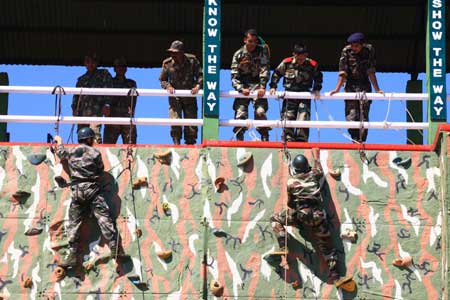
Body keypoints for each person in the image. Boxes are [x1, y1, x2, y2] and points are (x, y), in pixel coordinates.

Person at [55, 128, 125, 267]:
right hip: (92, 191)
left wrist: (59, 142)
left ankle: (73, 255)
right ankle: (115, 249)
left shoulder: (71, 152)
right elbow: (100, 169)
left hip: (77, 192)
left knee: (74, 223)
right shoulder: (95, 153)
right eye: (92, 139)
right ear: (89, 139)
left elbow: (60, 152)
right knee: (104, 219)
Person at [270, 148, 339, 281]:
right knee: (327, 246)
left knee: (275, 219)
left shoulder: (291, 182)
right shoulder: (314, 174)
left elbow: (290, 204)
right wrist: (316, 156)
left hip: (301, 216)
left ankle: (283, 246)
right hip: (318, 217)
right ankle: (335, 273)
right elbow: (319, 170)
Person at [329, 32, 384, 143]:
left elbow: (371, 71)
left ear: (362, 44)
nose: (353, 48)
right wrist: (337, 89)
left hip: (364, 84)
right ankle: (354, 139)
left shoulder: (369, 50)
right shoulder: (346, 51)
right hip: (350, 84)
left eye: (356, 46)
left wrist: (377, 89)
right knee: (352, 113)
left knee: (364, 113)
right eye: (352, 45)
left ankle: (361, 140)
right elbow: (342, 72)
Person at [269, 43, 323, 142]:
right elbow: (276, 74)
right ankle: (288, 139)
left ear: (306, 55)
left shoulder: (312, 65)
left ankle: (301, 141)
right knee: (287, 117)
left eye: (303, 58)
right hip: (289, 95)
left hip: (304, 95)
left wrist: (317, 88)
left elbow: (318, 77)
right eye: (299, 58)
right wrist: (273, 86)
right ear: (294, 54)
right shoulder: (286, 63)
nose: (301, 60)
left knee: (303, 119)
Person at [159, 40, 203, 145]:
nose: (172, 55)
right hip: (175, 97)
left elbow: (201, 75)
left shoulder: (192, 60)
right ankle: (176, 145)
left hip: (189, 96)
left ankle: (190, 145)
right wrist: (168, 86)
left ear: (181, 52)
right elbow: (162, 79)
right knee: (175, 122)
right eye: (171, 52)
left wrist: (198, 86)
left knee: (191, 124)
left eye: (175, 53)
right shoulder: (167, 63)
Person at [231, 29, 270, 141]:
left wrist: (262, 86)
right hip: (244, 86)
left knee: (260, 112)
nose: (252, 44)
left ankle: (265, 136)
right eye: (250, 41)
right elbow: (234, 75)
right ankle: (239, 138)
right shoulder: (238, 54)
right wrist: (240, 88)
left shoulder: (262, 51)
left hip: (258, 85)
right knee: (240, 114)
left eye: (254, 41)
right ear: (245, 40)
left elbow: (265, 69)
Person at [72, 54, 113, 144]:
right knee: (82, 136)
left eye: (93, 61)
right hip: (82, 113)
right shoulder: (81, 79)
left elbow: (109, 89)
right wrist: (74, 108)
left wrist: (107, 104)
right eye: (88, 61)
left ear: (97, 63)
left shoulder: (103, 74)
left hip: (96, 112)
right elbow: (76, 95)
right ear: (85, 63)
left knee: (95, 136)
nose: (90, 64)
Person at [103, 57, 138, 144]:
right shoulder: (109, 82)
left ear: (126, 68)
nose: (120, 68)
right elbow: (105, 98)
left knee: (131, 146)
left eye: (123, 66)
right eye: (118, 66)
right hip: (112, 116)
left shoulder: (131, 83)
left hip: (126, 115)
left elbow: (133, 99)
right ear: (114, 68)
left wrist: (131, 110)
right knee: (108, 145)